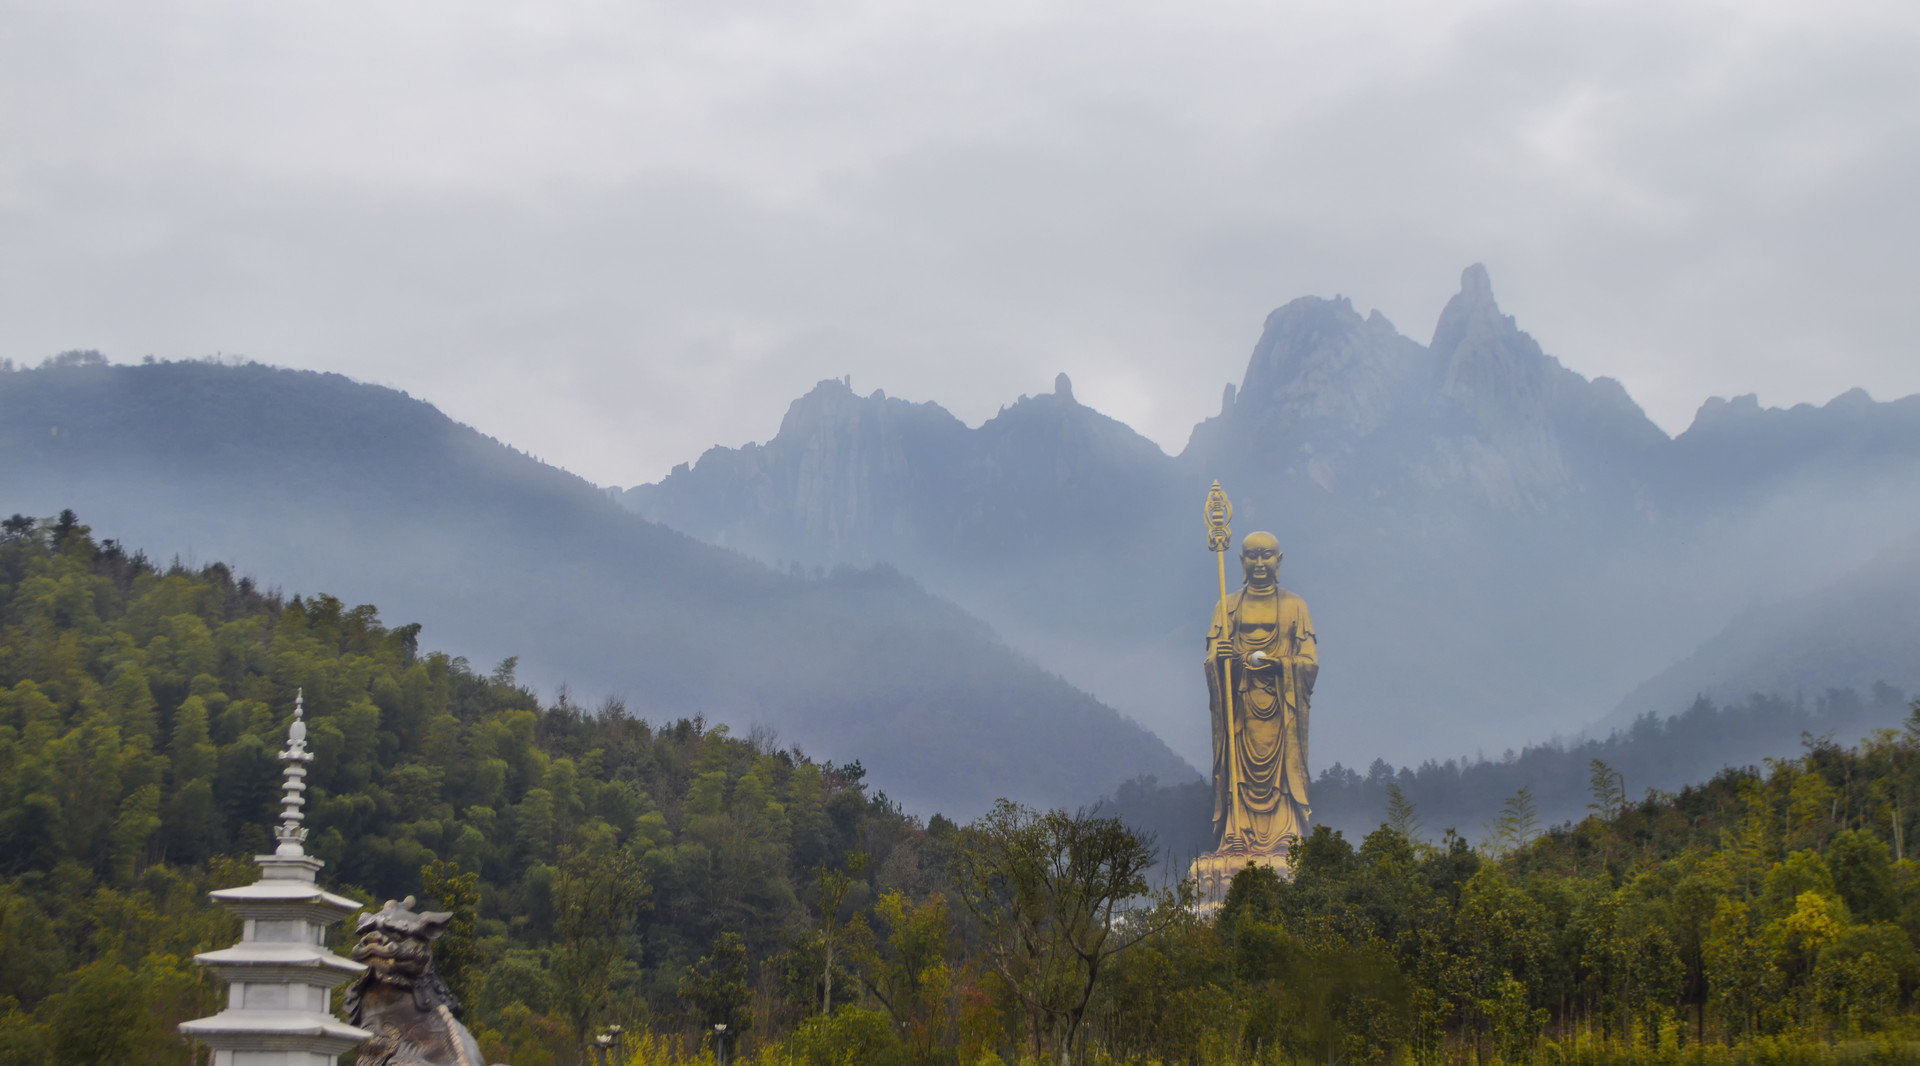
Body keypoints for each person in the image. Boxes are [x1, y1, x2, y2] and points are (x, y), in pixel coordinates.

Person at [1206, 531, 1316, 855]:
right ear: (1241, 561)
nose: (1259, 563)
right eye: (1252, 556)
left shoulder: (1296, 606)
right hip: (1241, 709)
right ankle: (1237, 833)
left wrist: (1279, 664)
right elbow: (1212, 660)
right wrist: (1222, 659)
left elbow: (1309, 662)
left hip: (1282, 710)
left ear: (1278, 561)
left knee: (1282, 774)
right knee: (1238, 774)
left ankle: (1287, 834)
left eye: (1266, 555)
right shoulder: (1227, 607)